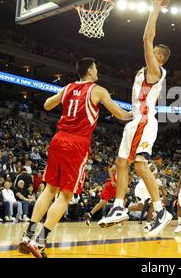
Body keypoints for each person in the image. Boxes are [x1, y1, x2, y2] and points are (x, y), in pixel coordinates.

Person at [17, 58, 132, 258]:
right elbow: (120, 115)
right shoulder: (97, 90)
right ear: (89, 70)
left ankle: (27, 235)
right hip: (76, 143)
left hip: (57, 139)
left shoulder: (68, 87)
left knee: (49, 189)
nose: (97, 70)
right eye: (95, 67)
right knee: (66, 195)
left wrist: (61, 99)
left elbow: (46, 105)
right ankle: (40, 241)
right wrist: (138, 114)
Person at [98, 0, 173, 236]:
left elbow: (146, 38)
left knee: (140, 165)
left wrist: (155, 9)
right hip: (135, 120)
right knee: (121, 163)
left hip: (145, 121)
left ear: (160, 58)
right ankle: (119, 207)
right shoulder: (142, 73)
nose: (152, 55)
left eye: (156, 54)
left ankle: (161, 210)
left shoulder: (156, 71)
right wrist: (123, 115)